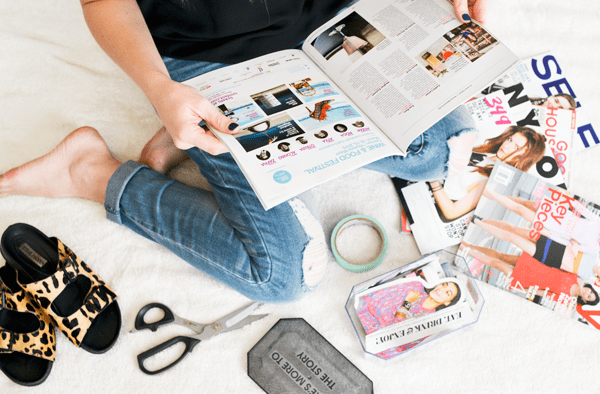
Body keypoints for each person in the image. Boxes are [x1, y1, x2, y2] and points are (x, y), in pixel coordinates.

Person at [0, 0, 489, 303]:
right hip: (206, 56)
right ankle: (92, 172)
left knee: (447, 149)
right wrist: (159, 89)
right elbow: (102, 1)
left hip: (332, 26)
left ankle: (193, 134)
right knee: (285, 275)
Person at [428, 126, 546, 221]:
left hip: (431, 192)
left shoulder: (490, 181)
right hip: (435, 169)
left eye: (516, 148)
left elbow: (451, 212)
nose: (506, 145)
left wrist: (433, 181)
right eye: (510, 139)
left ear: (524, 158)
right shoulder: (489, 153)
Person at [460, 242, 599, 305]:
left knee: (497, 264)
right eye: (591, 292)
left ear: (585, 300)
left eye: (588, 296)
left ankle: (467, 251)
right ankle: (469, 245)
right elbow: (559, 265)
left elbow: (543, 293)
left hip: (527, 281)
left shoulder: (567, 298)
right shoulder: (578, 277)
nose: (587, 292)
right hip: (533, 265)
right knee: (501, 256)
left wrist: (521, 288)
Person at [471, 217, 600, 284]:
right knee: (514, 229)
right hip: (553, 243)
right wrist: (575, 245)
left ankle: (478, 223)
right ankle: (482, 220)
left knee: (512, 238)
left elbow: (563, 276)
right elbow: (574, 239)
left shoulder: (586, 278)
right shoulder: (593, 254)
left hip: (548, 257)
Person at [357, 279, 462, 359]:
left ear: (447, 302)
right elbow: (375, 297)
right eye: (444, 285)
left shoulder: (431, 322)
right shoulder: (416, 286)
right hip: (362, 312)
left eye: (448, 293)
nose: (441, 289)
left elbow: (393, 335)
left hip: (376, 344)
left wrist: (407, 303)